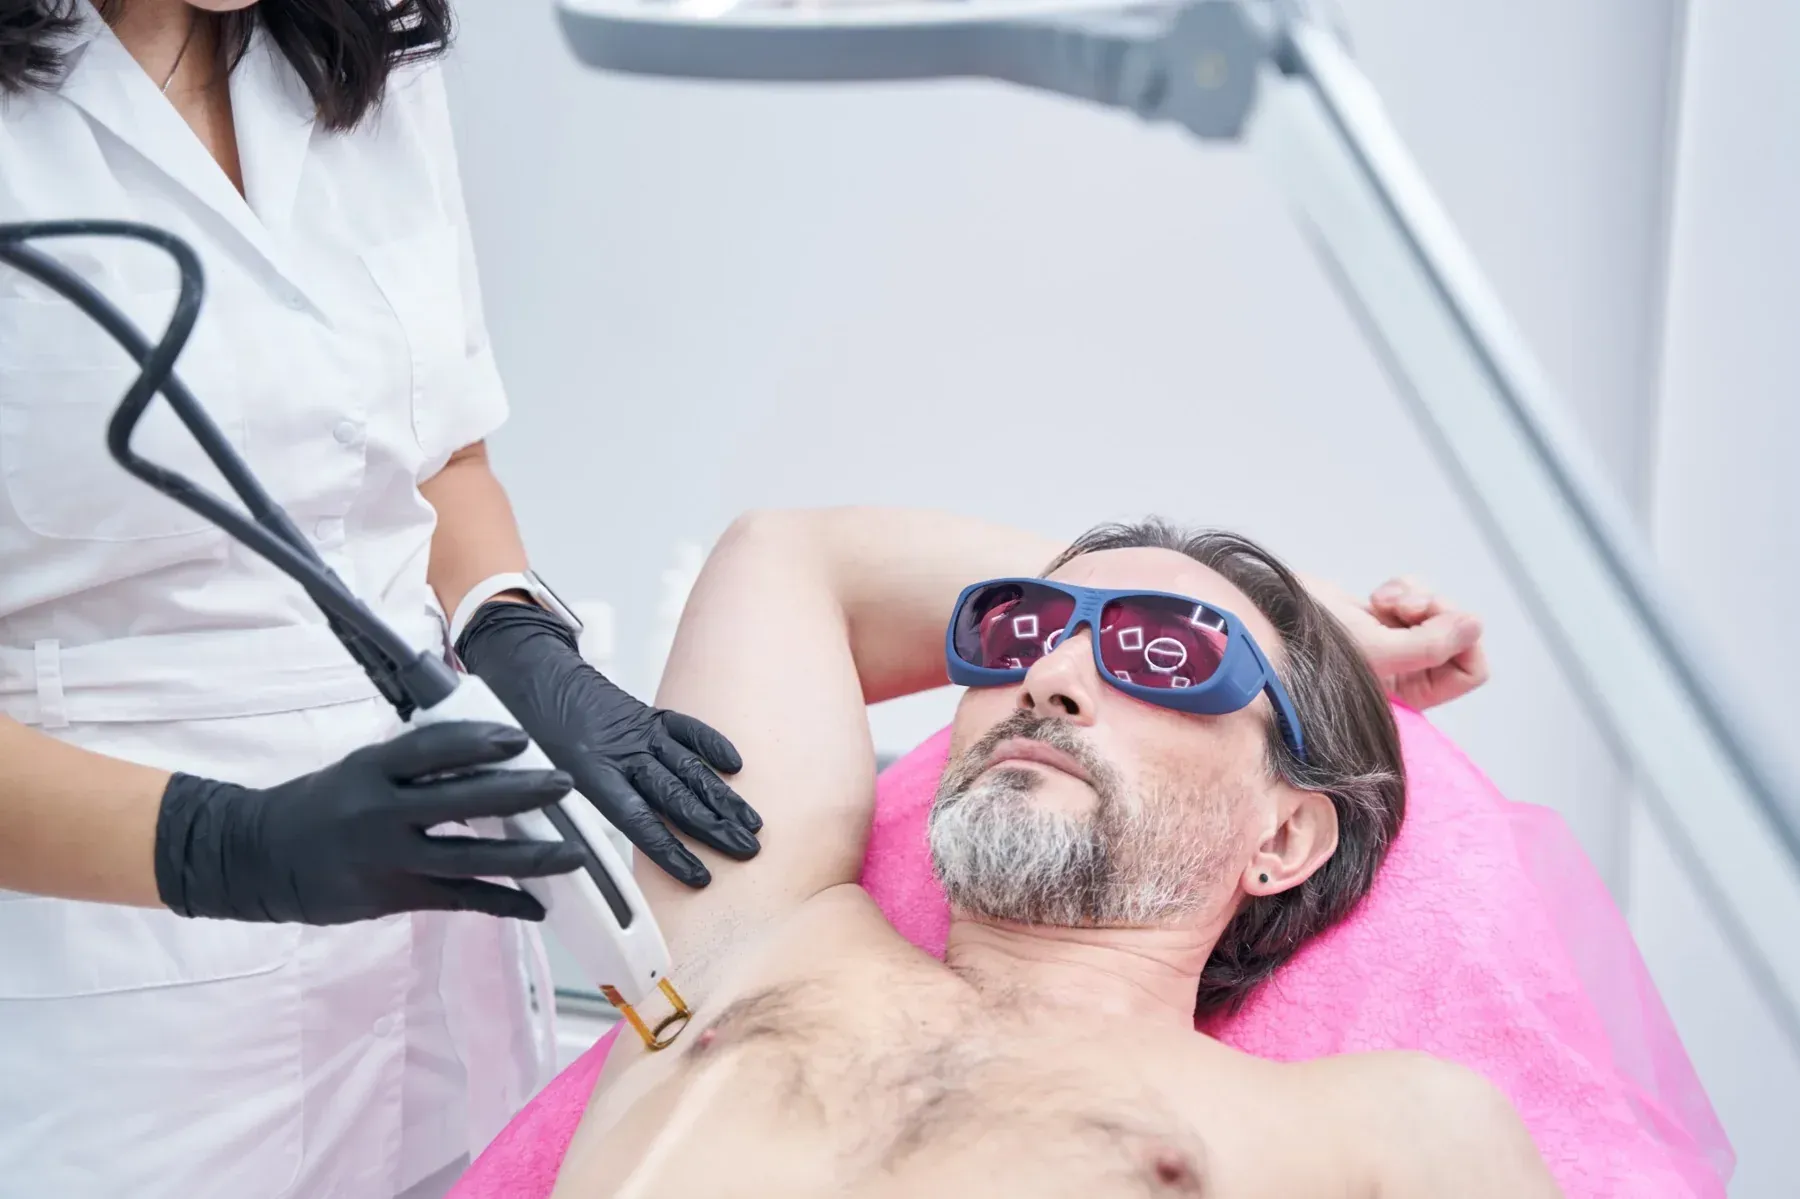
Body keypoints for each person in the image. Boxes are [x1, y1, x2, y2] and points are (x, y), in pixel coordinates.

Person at [0, 3, 756, 1197]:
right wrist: (226, 848)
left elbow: (432, 455)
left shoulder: (358, 48)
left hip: (431, 939)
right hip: (114, 994)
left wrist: (512, 629)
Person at [546, 506, 1540, 1198]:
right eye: (1020, 629)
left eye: (1169, 653)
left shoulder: (1393, 1125)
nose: (1051, 672)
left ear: (1282, 834)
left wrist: (1275, 626)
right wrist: (1310, 607)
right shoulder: (758, 929)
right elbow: (793, 552)